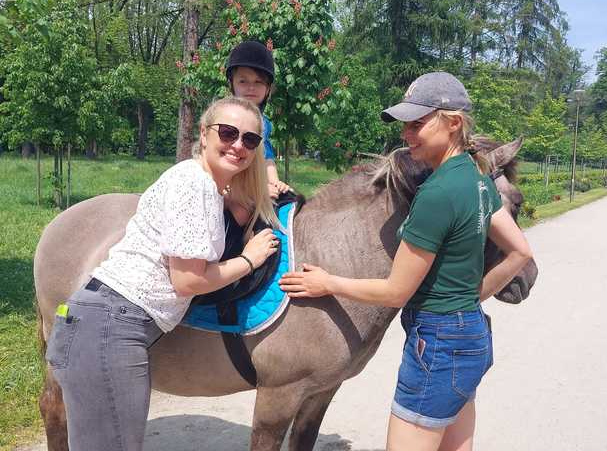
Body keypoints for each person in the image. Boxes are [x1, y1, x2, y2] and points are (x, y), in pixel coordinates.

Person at [280, 72, 533, 451]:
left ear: (453, 122)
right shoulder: (479, 179)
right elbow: (521, 251)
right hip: (470, 337)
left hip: (437, 344)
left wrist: (328, 283)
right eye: (405, 125)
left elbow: (397, 290)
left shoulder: (435, 194)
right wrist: (470, 297)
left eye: (417, 124)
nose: (406, 134)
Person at [45, 97, 281, 451]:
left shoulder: (204, 185)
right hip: (112, 326)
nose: (238, 145)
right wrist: (249, 259)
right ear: (204, 134)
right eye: (228, 133)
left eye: (250, 140)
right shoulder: (194, 184)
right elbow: (187, 281)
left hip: (109, 322)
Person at [226, 40, 291, 198]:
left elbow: (266, 157)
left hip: (255, 186)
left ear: (268, 88)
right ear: (232, 84)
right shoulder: (225, 119)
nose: (251, 87)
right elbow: (224, 165)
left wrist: (274, 182)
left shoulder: (264, 123)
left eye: (258, 82)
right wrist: (254, 191)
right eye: (243, 81)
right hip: (229, 190)